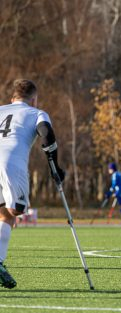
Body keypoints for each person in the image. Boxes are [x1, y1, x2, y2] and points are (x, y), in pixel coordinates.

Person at [0, 79, 65, 289]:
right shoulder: (37, 113)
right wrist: (55, 167)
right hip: (10, 162)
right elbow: (46, 134)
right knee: (15, 211)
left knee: (3, 214)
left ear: (12, 98)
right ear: (34, 100)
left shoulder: (1, 109)